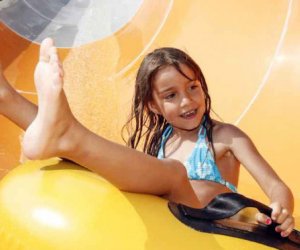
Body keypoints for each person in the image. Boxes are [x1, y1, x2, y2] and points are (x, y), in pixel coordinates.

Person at [0, 38, 295, 237]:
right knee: (102, 163)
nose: (187, 101)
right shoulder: (162, 141)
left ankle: (66, 133)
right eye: (171, 95)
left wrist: (281, 207)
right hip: (172, 222)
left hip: (217, 220)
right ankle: (9, 100)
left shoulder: (226, 137)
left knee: (175, 175)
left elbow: (276, 186)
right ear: (153, 106)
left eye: (193, 87)